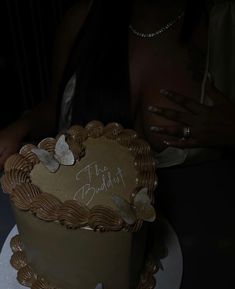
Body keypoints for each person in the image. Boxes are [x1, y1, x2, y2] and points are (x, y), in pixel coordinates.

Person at [0, 0, 234, 288]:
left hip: (207, 241)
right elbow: (54, 106)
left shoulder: (224, 25)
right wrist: (22, 124)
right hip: (75, 232)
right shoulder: (80, 20)